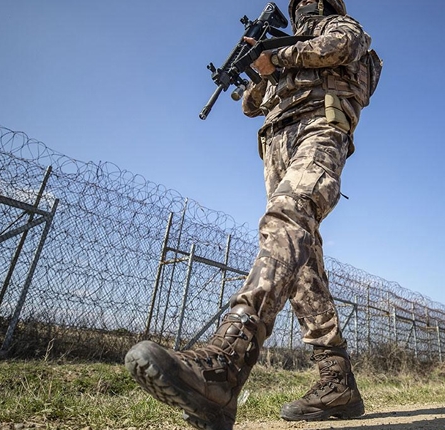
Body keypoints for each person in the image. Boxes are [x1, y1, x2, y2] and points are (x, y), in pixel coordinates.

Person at [125, 1, 380, 428]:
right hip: (276, 143)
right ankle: (337, 383)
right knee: (301, 265)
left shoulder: (340, 27)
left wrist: (275, 55)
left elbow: (340, 46)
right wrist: (259, 67)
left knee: (287, 220)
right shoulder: (290, 50)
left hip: (319, 127)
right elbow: (251, 104)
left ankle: (227, 360)